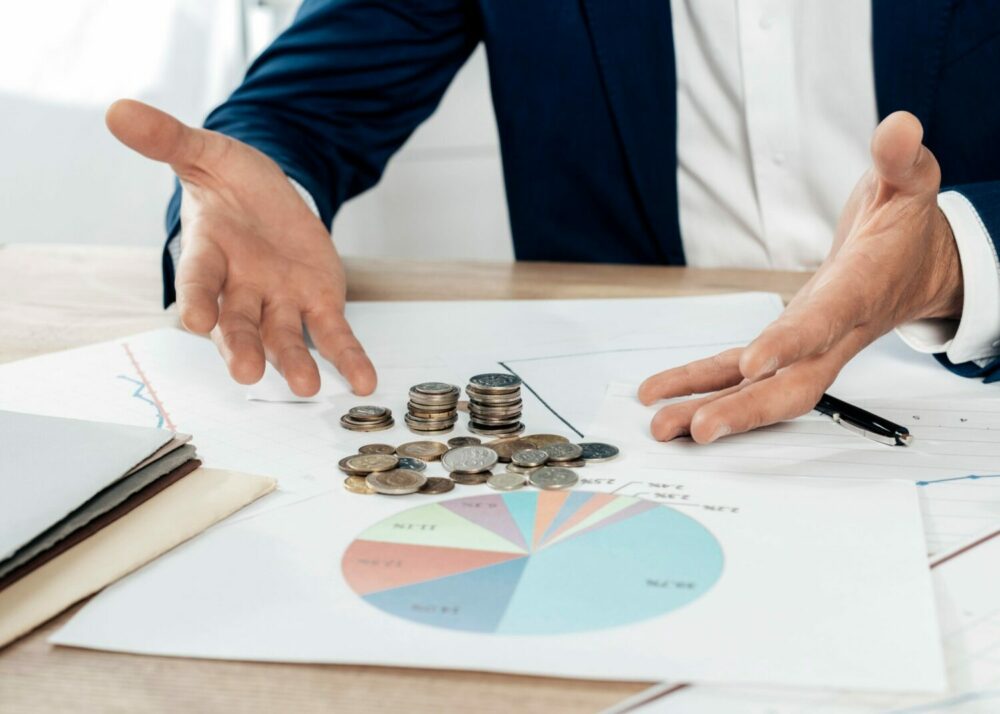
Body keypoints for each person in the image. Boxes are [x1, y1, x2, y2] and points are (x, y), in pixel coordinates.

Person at [106, 0, 1000, 443]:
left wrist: (953, 258)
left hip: (961, 387)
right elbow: (303, 109)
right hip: (633, 418)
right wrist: (265, 188)